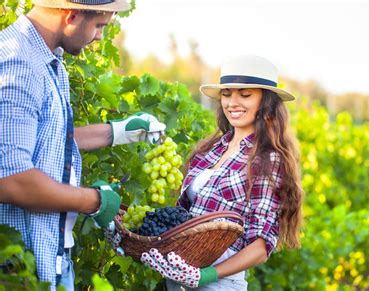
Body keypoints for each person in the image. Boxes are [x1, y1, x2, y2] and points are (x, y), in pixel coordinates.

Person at [0, 0, 165, 290]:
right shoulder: (20, 63)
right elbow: (11, 180)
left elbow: (45, 135)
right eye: (99, 25)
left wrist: (117, 132)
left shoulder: (48, 60)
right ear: (72, 15)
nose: (100, 36)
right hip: (22, 270)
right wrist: (94, 201)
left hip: (51, 256)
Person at [140, 55, 304, 290]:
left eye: (245, 95)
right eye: (226, 94)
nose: (232, 102)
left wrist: (206, 275)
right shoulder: (212, 149)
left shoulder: (267, 160)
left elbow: (260, 247)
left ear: (266, 102)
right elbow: (183, 218)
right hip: (178, 277)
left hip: (218, 283)